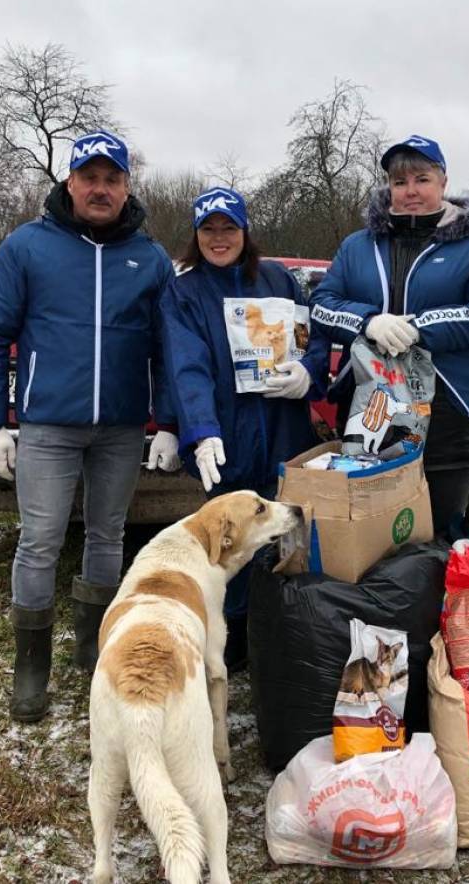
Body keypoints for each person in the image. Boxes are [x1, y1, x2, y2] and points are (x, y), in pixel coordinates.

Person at [0, 129, 181, 723]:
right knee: (39, 542)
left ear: (126, 187)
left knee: (108, 536)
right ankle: (30, 664)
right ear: (71, 182)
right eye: (90, 177)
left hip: (119, 428)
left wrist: (165, 423)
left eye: (112, 179)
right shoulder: (28, 247)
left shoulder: (150, 257)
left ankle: (91, 647)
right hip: (48, 427)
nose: (100, 188)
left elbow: (170, 348)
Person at [309, 135, 469, 541]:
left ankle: (446, 602)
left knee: (442, 533)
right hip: (370, 410)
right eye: (400, 182)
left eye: (422, 179)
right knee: (375, 532)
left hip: (451, 415)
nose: (411, 191)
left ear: (443, 182)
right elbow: (321, 305)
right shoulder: (357, 246)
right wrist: (368, 322)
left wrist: (420, 327)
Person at [158, 186, 329, 669]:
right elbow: (185, 363)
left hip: (283, 432)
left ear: (244, 230)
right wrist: (198, 428)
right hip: (228, 437)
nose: (218, 238)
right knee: (229, 547)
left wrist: (308, 375)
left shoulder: (277, 279)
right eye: (208, 229)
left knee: (286, 536)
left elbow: (310, 341)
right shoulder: (184, 292)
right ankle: (229, 648)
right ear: (196, 234)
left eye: (228, 227)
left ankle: (283, 638)